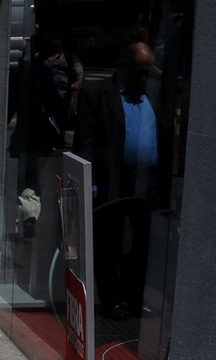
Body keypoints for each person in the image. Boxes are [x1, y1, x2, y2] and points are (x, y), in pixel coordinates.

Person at [73, 40, 170, 319]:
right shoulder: (97, 93)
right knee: (109, 242)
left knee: (143, 243)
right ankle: (111, 298)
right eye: (139, 71)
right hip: (113, 181)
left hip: (146, 182)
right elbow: (86, 143)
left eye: (147, 71)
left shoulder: (152, 95)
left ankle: (132, 296)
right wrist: (88, 183)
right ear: (122, 65)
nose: (143, 77)